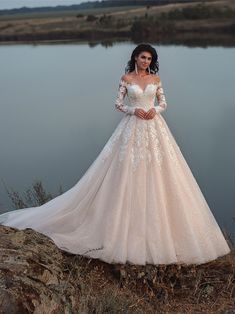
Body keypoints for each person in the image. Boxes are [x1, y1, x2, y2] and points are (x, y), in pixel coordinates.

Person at [0, 43, 231, 265]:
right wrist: (134, 110)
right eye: (142, 57)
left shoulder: (156, 79)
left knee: (164, 172)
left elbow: (164, 103)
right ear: (135, 58)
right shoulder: (126, 79)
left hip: (155, 127)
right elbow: (118, 104)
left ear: (152, 61)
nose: (145, 61)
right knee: (126, 172)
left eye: (149, 58)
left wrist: (153, 110)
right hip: (132, 126)